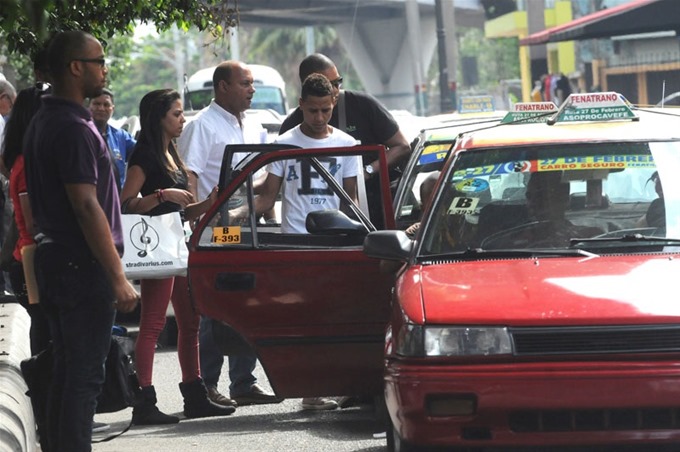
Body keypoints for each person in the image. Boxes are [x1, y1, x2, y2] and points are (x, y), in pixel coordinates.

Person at [23, 30, 139, 452]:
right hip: (80, 263)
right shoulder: (70, 125)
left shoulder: (47, 118)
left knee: (67, 371)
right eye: (98, 60)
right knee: (83, 378)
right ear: (76, 67)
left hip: (59, 260)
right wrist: (117, 276)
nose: (104, 68)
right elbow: (86, 206)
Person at [120, 89, 235, 424]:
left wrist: (210, 201)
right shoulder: (145, 155)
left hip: (178, 242)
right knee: (153, 324)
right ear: (159, 118)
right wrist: (160, 194)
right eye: (176, 113)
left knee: (191, 321)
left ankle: (194, 394)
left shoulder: (171, 152)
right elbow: (126, 203)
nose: (183, 119)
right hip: (157, 247)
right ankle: (144, 400)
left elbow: (181, 211)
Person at [246, 73, 359, 410]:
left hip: (333, 242)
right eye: (312, 111)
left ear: (333, 104)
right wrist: (230, 218)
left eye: (325, 110)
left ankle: (337, 385)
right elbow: (268, 197)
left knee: (335, 317)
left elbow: (349, 202)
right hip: (295, 242)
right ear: (301, 106)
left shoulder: (347, 145)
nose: (319, 117)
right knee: (304, 318)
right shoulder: (285, 142)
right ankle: (310, 391)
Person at [177, 60, 280, 408]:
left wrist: (265, 208)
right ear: (223, 87)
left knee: (248, 301)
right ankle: (207, 384)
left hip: (247, 226)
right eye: (245, 83)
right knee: (214, 306)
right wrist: (196, 219)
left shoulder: (253, 126)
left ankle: (243, 381)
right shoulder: (202, 127)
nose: (252, 90)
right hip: (215, 230)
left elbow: (264, 175)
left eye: (252, 84)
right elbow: (189, 177)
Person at [279, 53, 411, 229]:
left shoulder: (362, 106)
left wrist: (366, 171)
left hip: (377, 203)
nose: (319, 118)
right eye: (328, 84)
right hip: (318, 222)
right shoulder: (289, 131)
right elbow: (273, 183)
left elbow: (402, 146)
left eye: (338, 82)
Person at [89, 88, 136, 190]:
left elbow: (143, 151)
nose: (101, 108)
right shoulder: (82, 134)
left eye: (106, 105)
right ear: (89, 106)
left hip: (117, 201)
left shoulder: (121, 136)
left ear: (112, 109)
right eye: (97, 104)